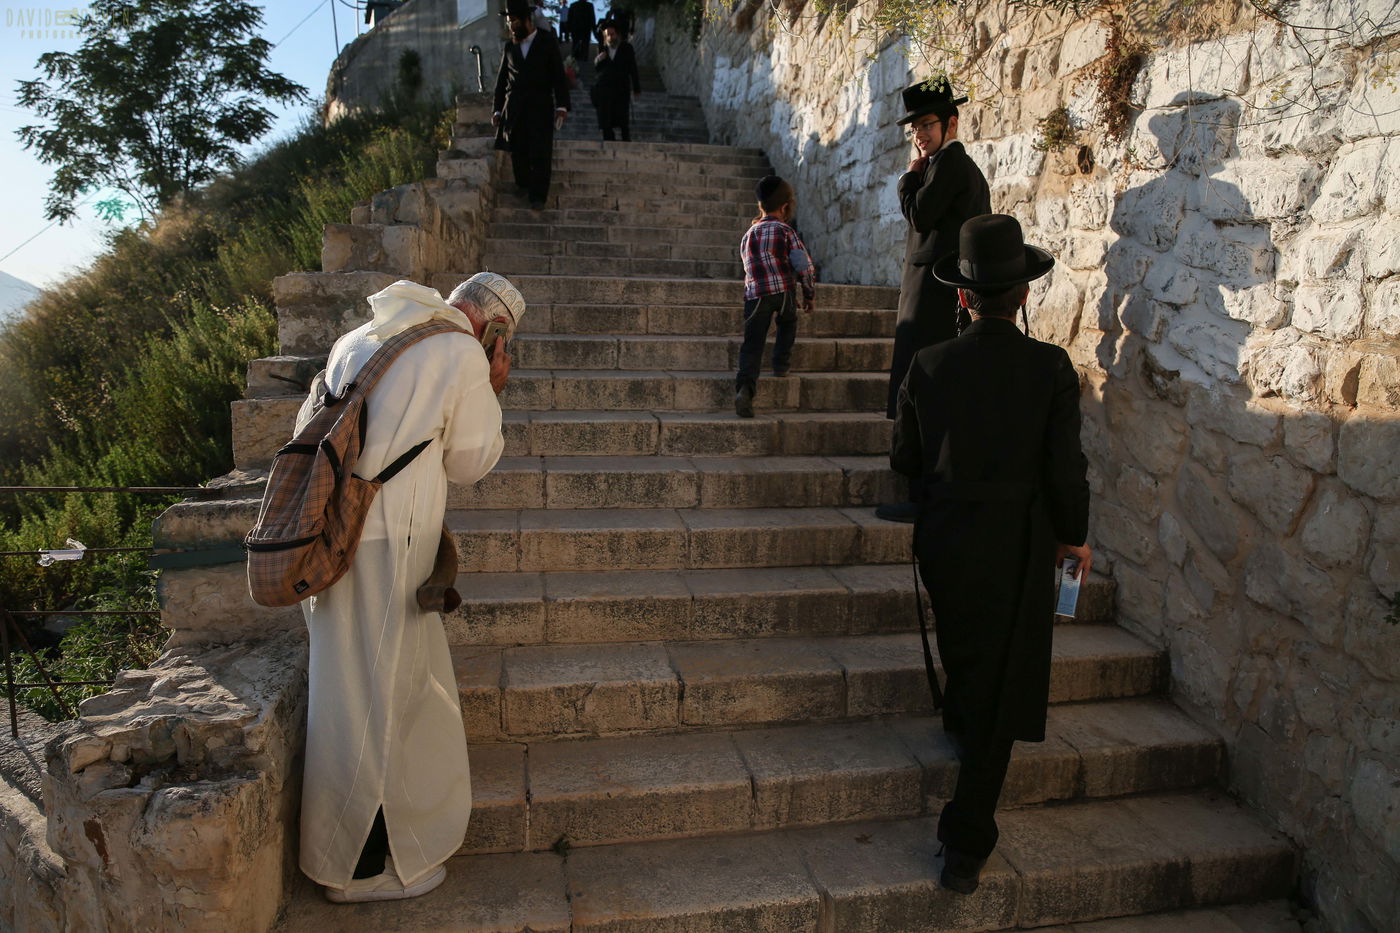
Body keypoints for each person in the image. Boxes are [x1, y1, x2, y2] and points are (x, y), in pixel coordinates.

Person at [298, 275, 524, 904]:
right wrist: (492, 387)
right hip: (392, 542)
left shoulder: (362, 335)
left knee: (345, 696)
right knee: (384, 698)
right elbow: (471, 461)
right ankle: (363, 869)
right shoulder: (457, 353)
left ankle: (346, 852)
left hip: (332, 533)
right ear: (494, 328)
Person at [890, 213, 1091, 896]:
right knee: (1004, 676)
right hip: (1020, 541)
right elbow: (1066, 469)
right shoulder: (1051, 368)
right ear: (1024, 295)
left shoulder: (928, 363)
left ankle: (961, 719)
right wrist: (1076, 535)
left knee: (966, 644)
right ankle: (967, 842)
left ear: (963, 296)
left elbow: (905, 457)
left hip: (947, 536)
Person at [878, 77, 991, 523]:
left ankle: (921, 493)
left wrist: (907, 178)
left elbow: (920, 213)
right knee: (925, 386)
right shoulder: (949, 166)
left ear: (951, 124)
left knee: (922, 387)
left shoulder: (949, 164)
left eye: (926, 125)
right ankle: (926, 488)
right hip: (938, 292)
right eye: (914, 129)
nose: (919, 136)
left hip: (935, 295)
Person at [734, 175, 814, 418]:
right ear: (785, 206)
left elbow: (748, 266)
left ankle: (745, 390)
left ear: (761, 206)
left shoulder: (749, 235)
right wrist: (808, 293)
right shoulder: (786, 231)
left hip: (756, 295)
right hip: (784, 292)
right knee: (788, 323)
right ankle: (781, 365)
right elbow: (803, 265)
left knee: (753, 343)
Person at [493, 0, 571, 211]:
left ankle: (538, 196)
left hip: (540, 105)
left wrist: (562, 106)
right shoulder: (510, 47)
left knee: (540, 151)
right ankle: (523, 184)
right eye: (510, 22)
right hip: (515, 106)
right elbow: (502, 81)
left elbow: (558, 75)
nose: (512, 25)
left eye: (515, 21)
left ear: (527, 20)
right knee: (517, 149)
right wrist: (497, 109)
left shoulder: (546, 41)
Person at [591, 21, 640, 141]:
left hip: (621, 87)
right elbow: (598, 69)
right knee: (605, 116)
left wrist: (636, 87)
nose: (610, 37)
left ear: (617, 35)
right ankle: (608, 139)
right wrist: (598, 60)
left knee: (622, 116)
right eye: (607, 35)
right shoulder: (603, 49)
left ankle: (626, 140)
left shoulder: (626, 48)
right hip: (605, 88)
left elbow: (632, 67)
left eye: (612, 34)